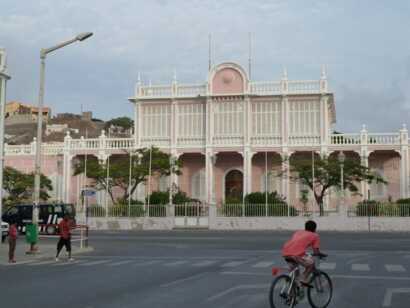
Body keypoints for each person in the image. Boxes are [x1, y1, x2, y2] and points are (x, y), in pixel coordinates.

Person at [282, 220, 326, 287]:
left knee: (296, 276)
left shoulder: (298, 232)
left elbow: (296, 243)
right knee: (311, 263)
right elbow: (316, 252)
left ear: (305, 227)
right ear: (315, 229)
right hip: (296, 254)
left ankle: (292, 294)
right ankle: (303, 278)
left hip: (286, 253)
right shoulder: (315, 235)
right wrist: (320, 254)